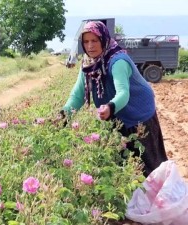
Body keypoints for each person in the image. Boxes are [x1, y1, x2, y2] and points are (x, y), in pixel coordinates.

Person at [61, 21, 167, 177]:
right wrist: (62, 116)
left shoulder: (118, 61)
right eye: (86, 41)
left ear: (103, 39)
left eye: (94, 40)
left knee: (150, 167)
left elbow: (123, 92)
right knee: (121, 164)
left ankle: (161, 198)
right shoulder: (88, 64)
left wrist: (110, 107)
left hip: (139, 113)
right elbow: (77, 96)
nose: (90, 46)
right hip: (116, 114)